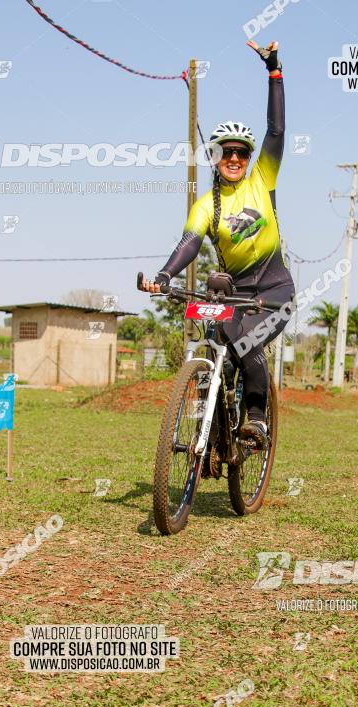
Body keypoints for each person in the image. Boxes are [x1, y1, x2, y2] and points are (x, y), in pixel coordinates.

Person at [141, 40, 295, 447]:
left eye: (241, 153)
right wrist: (164, 275)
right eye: (226, 152)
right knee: (216, 343)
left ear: (248, 158)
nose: (234, 158)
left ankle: (257, 416)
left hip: (274, 293)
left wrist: (274, 71)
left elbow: (276, 130)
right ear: (214, 157)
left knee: (247, 343)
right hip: (235, 294)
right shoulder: (207, 204)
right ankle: (215, 430)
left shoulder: (262, 178)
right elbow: (189, 242)